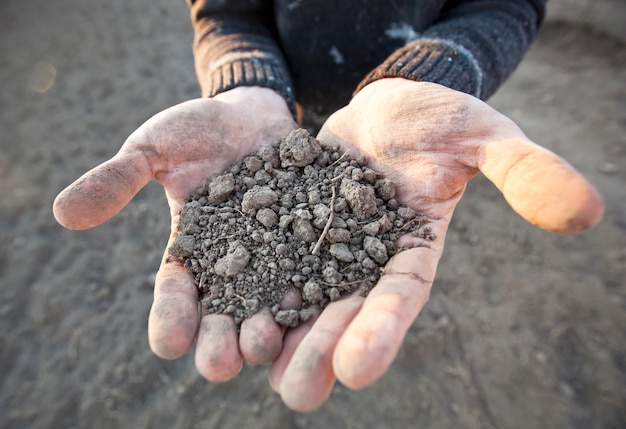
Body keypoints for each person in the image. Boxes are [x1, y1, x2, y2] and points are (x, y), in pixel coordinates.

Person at [53, 0, 604, 413]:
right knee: (273, 335)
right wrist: (246, 85)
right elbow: (226, 16)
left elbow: (506, 6)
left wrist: (438, 69)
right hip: (271, 110)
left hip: (404, 127)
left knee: (402, 244)